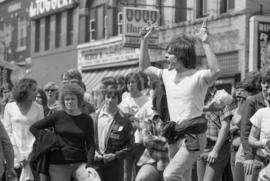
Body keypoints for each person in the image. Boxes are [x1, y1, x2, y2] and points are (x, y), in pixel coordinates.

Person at [139, 18, 220, 181]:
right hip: (174, 134)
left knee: (170, 174)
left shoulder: (198, 76)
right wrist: (144, 40)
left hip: (194, 135)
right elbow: (145, 67)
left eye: (169, 53)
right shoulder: (167, 75)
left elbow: (216, 70)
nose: (166, 56)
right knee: (183, 176)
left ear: (180, 55)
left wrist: (205, 42)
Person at [29, 83, 98, 181]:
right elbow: (34, 127)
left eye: (72, 99)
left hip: (80, 163)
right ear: (63, 101)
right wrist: (49, 139)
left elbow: (91, 145)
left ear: (79, 100)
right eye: (67, 99)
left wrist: (90, 165)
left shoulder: (87, 120)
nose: (69, 102)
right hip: (58, 163)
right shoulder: (58, 116)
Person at [2, 78, 44, 181]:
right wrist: (18, 154)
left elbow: (41, 133)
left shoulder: (39, 108)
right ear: (24, 91)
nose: (36, 92)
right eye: (33, 90)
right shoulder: (9, 107)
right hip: (14, 157)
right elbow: (8, 133)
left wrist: (30, 154)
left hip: (33, 156)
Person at [93, 79, 134, 181]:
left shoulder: (124, 120)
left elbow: (130, 144)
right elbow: (87, 139)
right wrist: (93, 152)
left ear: (118, 100)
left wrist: (115, 155)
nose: (110, 100)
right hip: (95, 163)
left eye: (113, 97)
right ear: (104, 98)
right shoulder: (94, 117)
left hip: (114, 165)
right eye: (108, 97)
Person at [196, 86, 233, 181]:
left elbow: (226, 125)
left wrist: (215, 150)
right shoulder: (196, 98)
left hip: (217, 147)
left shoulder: (221, 97)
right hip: (201, 147)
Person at [118, 72, 150, 181]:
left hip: (142, 143)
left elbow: (150, 120)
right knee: (126, 175)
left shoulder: (147, 100)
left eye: (133, 82)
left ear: (138, 83)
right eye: (128, 83)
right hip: (127, 143)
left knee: (140, 175)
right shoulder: (124, 102)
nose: (130, 85)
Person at [240, 68, 270, 181]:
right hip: (253, 153)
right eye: (263, 83)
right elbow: (245, 131)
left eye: (268, 84)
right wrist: (248, 156)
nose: (265, 87)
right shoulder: (253, 101)